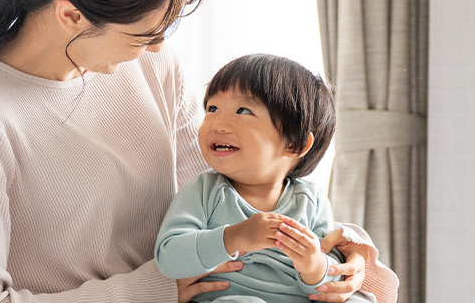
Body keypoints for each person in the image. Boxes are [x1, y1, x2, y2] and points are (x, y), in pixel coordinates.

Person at [0, 0, 393, 303]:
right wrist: (153, 288)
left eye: (164, 32)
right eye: (143, 35)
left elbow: (228, 192)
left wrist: (345, 251)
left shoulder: (150, 63)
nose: (155, 48)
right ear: (71, 16)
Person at [155, 54, 386, 302]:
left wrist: (314, 265)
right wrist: (234, 237)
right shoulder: (204, 191)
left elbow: (333, 277)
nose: (218, 124)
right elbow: (169, 257)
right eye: (212, 108)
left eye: (243, 111)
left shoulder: (310, 199)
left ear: (295, 144)